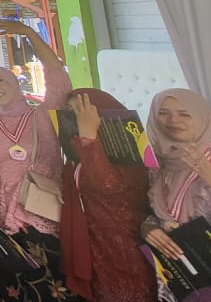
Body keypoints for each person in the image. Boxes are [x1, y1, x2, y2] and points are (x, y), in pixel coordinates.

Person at [0, 18, 75, 300]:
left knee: (54, 287)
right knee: (17, 289)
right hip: (4, 217)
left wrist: (28, 33)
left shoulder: (44, 114)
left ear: (14, 81)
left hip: (45, 212)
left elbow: (57, 74)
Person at [141, 88, 211, 302]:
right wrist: (148, 228)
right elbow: (163, 215)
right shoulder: (162, 168)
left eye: (184, 114)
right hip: (179, 278)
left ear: (201, 118)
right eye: (163, 113)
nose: (173, 120)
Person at [58, 90, 156, 302]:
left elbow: (109, 184)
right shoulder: (77, 146)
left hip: (125, 245)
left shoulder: (128, 148)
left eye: (83, 109)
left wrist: (89, 138)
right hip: (95, 243)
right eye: (71, 111)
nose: (78, 116)